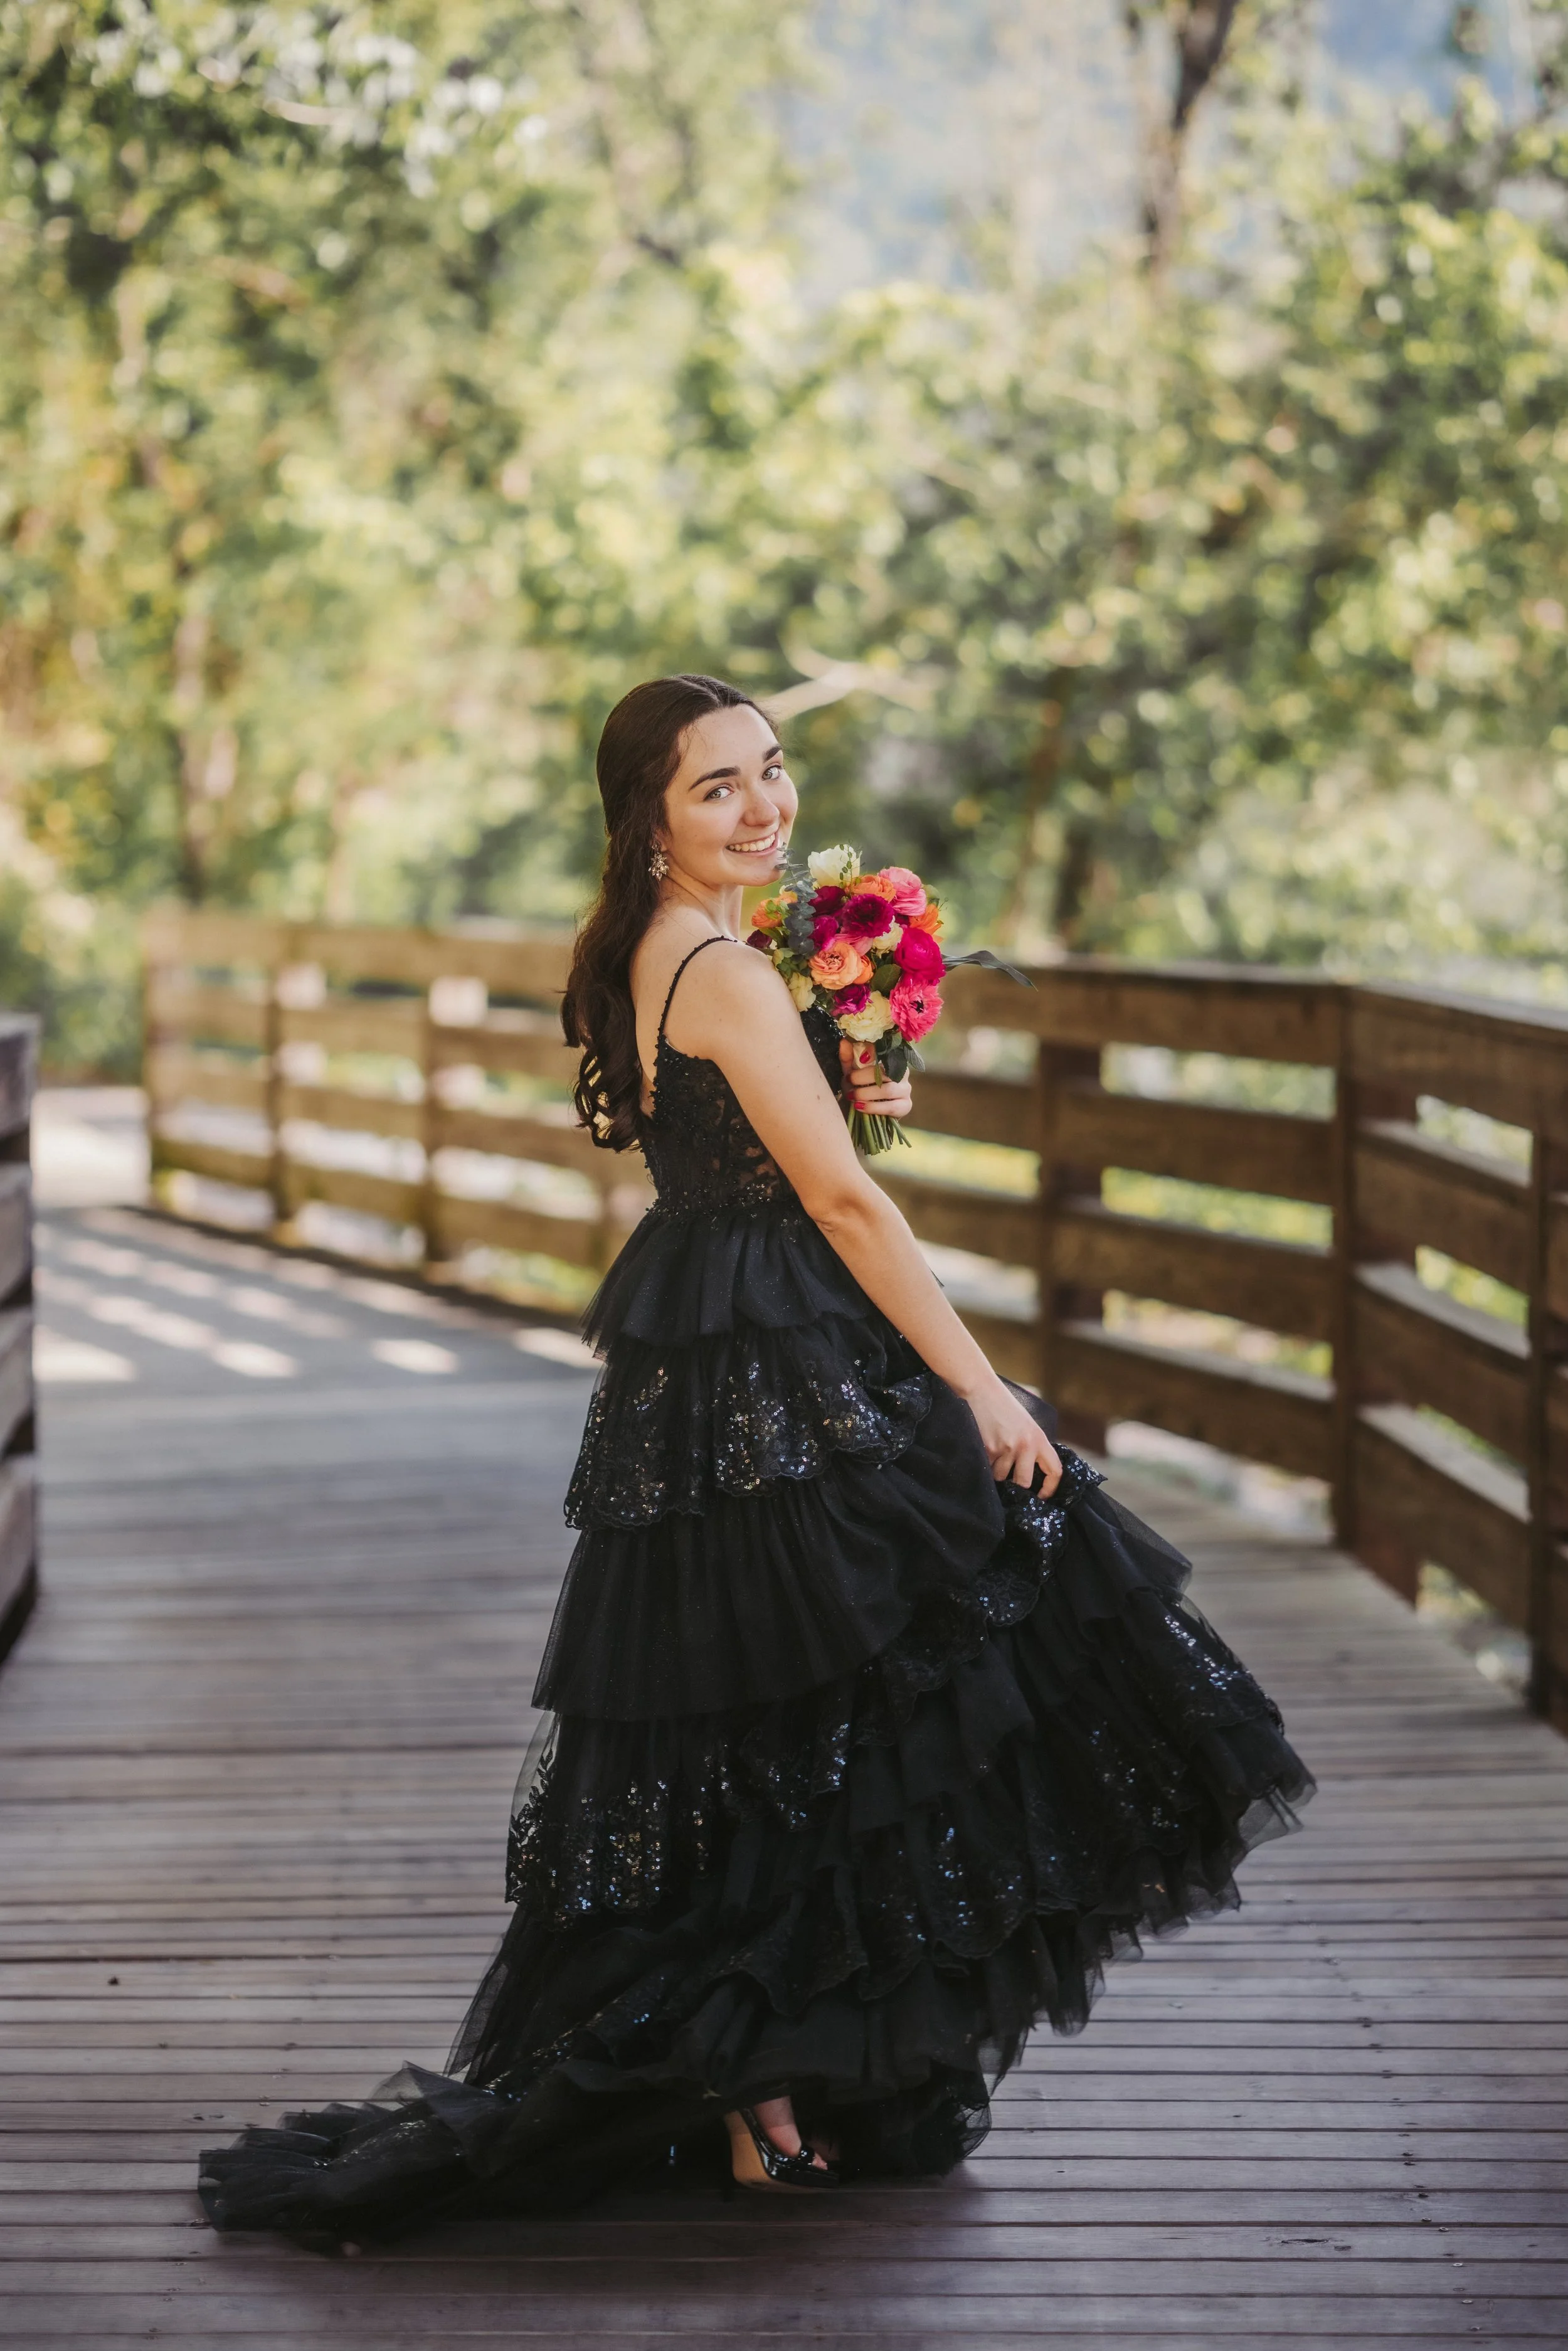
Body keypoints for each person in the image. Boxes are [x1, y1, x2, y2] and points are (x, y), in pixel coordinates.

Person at [199, 673, 1311, 2238]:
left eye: (774, 772)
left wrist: (779, 748)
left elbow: (756, 1111)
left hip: (706, 1354)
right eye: (718, 787)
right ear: (650, 819)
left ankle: (766, 2097)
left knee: (769, 1721)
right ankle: (764, 2087)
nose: (765, 805)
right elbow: (849, 1205)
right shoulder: (716, 963)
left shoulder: (642, 950)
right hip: (787, 1355)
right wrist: (984, 1386)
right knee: (972, 1604)